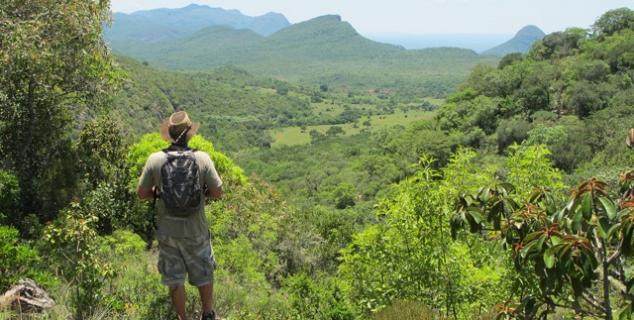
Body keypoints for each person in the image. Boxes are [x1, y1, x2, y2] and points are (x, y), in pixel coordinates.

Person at [137, 111, 223, 320]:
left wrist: (159, 193)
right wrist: (202, 195)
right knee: (204, 272)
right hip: (196, 229)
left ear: (170, 134)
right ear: (189, 134)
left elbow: (141, 194)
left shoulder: (155, 159)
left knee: (175, 279)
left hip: (168, 232)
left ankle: (181, 317)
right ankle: (207, 313)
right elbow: (218, 192)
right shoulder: (202, 158)